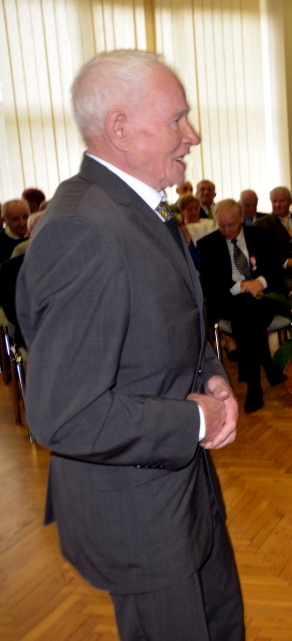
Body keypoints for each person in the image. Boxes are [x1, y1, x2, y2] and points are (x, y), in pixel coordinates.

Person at [15, 50, 244, 641]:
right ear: (119, 127)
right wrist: (196, 420)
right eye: (177, 119)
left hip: (186, 494)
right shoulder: (83, 229)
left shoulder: (139, 210)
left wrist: (213, 377)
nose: (192, 135)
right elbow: (65, 414)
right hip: (139, 515)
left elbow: (176, 321)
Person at [198, 199, 287, 413]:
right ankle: (262, 370)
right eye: (222, 226)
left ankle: (255, 383)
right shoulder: (208, 244)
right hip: (229, 299)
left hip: (263, 297)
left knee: (248, 316)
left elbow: (276, 269)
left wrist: (260, 282)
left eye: (231, 225)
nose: (227, 231)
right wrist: (242, 287)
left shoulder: (261, 235)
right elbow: (210, 284)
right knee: (247, 309)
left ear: (241, 218)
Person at [254, 186, 292, 288]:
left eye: (281, 201)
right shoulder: (261, 225)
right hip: (279, 273)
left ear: (290, 202)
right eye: (274, 201)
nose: (277, 205)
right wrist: (286, 263)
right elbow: (265, 254)